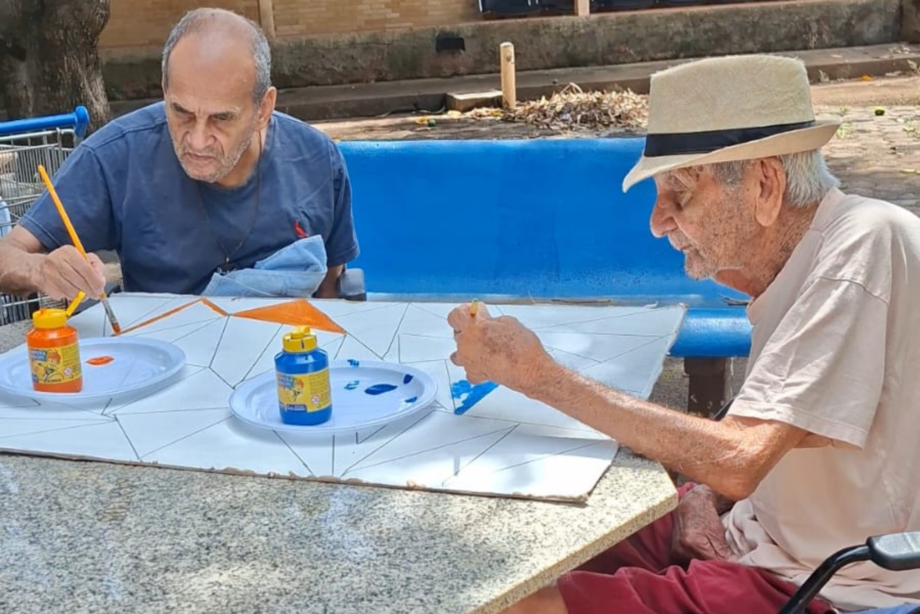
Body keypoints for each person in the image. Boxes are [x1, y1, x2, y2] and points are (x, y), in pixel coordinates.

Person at [449, 54, 920, 614]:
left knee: (523, 607)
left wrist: (537, 376)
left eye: (681, 191)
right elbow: (772, 436)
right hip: (759, 536)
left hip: (829, 587)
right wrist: (703, 493)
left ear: (765, 183)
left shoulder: (862, 247)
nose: (657, 220)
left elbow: (743, 457)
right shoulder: (809, 255)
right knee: (527, 558)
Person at [0, 7, 359, 301]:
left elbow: (332, 286)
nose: (198, 141)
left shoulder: (316, 159)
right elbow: (7, 253)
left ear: (263, 108)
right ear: (164, 90)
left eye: (221, 118)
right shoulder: (115, 156)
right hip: (165, 364)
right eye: (181, 112)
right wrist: (41, 270)